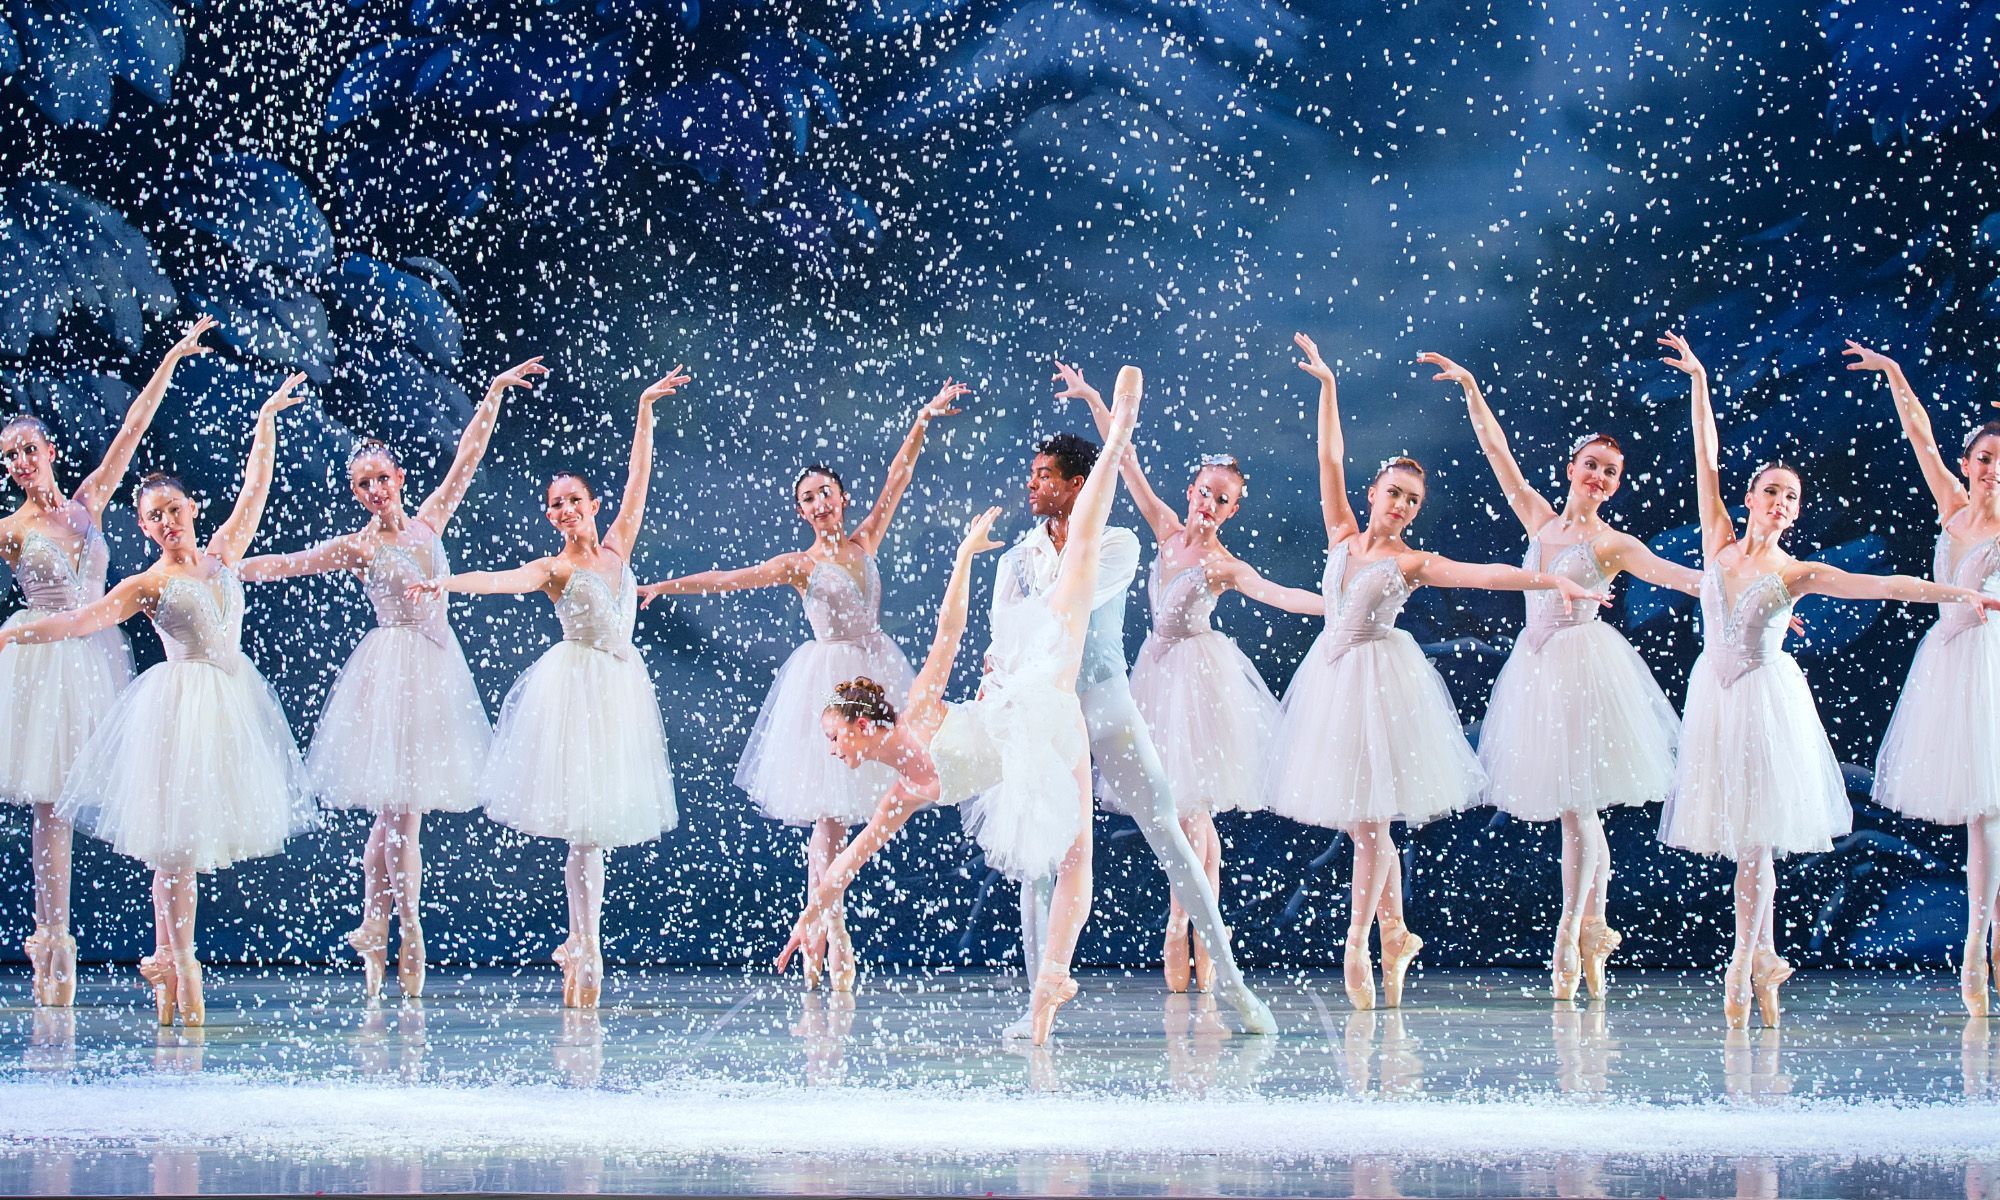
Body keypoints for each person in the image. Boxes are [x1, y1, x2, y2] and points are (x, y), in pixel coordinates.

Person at [776, 368, 1144, 1045]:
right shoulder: (902, 783)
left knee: (1081, 560)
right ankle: (1048, 992)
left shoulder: (914, 725)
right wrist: (812, 916)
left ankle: (1118, 430)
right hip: (1036, 724)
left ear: (863, 723)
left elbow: (949, 633)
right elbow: (848, 862)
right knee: (1074, 857)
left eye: (835, 738)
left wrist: (966, 557)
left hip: (1030, 706)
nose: (833, 751)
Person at [1656, 332, 2000, 1027]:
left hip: (1765, 702)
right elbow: (1705, 456)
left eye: (1792, 499)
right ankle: (1764, 957)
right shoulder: (1718, 540)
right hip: (1715, 703)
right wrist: (1698, 379)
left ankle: (1744, 966)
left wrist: (1956, 595)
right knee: (1744, 839)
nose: (1781, 503)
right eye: (1773, 492)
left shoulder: (1796, 573)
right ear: (1751, 497)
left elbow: (1877, 584)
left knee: (1758, 838)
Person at [1265, 333, 1608, 1011]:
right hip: (1332, 686)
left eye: (1412, 502)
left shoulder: (1413, 562)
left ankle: (1359, 943)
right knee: (1366, 826)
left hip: (1377, 687)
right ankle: (1394, 933)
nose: (1401, 507)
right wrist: (1330, 387)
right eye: (1394, 494)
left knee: (1369, 825)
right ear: (1374, 493)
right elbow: (1328, 457)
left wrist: (1551, 583)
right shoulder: (1340, 532)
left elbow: (1485, 574)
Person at [0, 374, 316, 1027]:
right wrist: (15, 632)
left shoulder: (224, 554)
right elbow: (79, 622)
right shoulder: (147, 583)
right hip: (177, 708)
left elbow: (255, 488)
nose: (168, 521)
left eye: (174, 508)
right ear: (143, 528)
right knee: (171, 848)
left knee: (190, 847)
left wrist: (264, 422)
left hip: (228, 709)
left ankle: (169, 961)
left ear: (191, 508)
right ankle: (179, 965)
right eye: (154, 516)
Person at [638, 380, 965, 991]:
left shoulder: (866, 539)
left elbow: (898, 475)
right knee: (827, 817)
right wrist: (669, 586)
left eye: (825, 493)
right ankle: (830, 936)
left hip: (875, 676)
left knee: (884, 799)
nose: (819, 504)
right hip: (827, 686)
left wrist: (921, 417)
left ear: (842, 498)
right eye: (807, 499)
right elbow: (732, 579)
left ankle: (828, 929)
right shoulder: (799, 565)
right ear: (801, 511)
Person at [240, 356, 547, 999]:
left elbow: (467, 456)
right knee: (399, 816)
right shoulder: (360, 546)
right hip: (387, 671)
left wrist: (491, 391)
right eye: (362, 485)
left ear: (399, 477)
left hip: (434, 670)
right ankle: (409, 934)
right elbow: (292, 563)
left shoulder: (430, 519)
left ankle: (372, 923)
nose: (375, 491)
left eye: (381, 478)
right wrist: (224, 567)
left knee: (392, 817)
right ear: (356, 493)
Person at [409, 365, 689, 1009]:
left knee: (597, 826)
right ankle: (581, 943)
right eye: (554, 504)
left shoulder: (618, 548)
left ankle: (584, 943)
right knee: (582, 829)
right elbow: (501, 578)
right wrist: (445, 585)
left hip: (620, 693)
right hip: (576, 691)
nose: (563, 510)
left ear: (592, 506)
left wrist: (644, 406)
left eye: (573, 500)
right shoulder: (554, 568)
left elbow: (639, 480)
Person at [1421, 350, 1698, 1000]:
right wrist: (1470, 386)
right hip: (1537, 675)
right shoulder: (1539, 521)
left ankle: (1572, 934)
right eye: (1592, 466)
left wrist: (1747, 587)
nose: (1600, 477)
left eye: (1611, 472)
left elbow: (1681, 578)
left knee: (1581, 811)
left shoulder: (1613, 545)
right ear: (1572, 469)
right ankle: (1592, 929)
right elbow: (1497, 455)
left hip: (1588, 671)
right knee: (1577, 816)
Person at [1052, 359, 1322, 993]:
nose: (1208, 503)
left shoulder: (1223, 563)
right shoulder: (1165, 530)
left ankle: (1187, 924)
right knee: (1179, 812)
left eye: (1221, 500)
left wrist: (1331, 605)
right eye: (1204, 491)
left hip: (1199, 679)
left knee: (1191, 810)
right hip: (1155, 670)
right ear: (1194, 488)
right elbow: (1124, 459)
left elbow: (1276, 592)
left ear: (1231, 511)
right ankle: (1196, 921)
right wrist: (1095, 397)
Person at [0, 316, 214, 1007]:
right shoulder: (9, 531)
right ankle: (52, 950)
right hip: (43, 656)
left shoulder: (90, 501)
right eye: (8, 458)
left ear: (50, 450)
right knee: (52, 806)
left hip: (98, 653)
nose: (20, 465)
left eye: (27, 451)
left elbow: (132, 426)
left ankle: (167, 952)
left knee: (142, 789)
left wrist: (173, 359)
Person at [1842, 341, 2000, 1016]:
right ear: (1969, 465)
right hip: (1952, 666)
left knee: (1995, 814)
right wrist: (1898, 376)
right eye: (1985, 459)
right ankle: (1974, 952)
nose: (1993, 470)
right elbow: (1920, 436)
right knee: (1980, 818)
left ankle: (1987, 950)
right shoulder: (1954, 506)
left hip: (1992, 657)